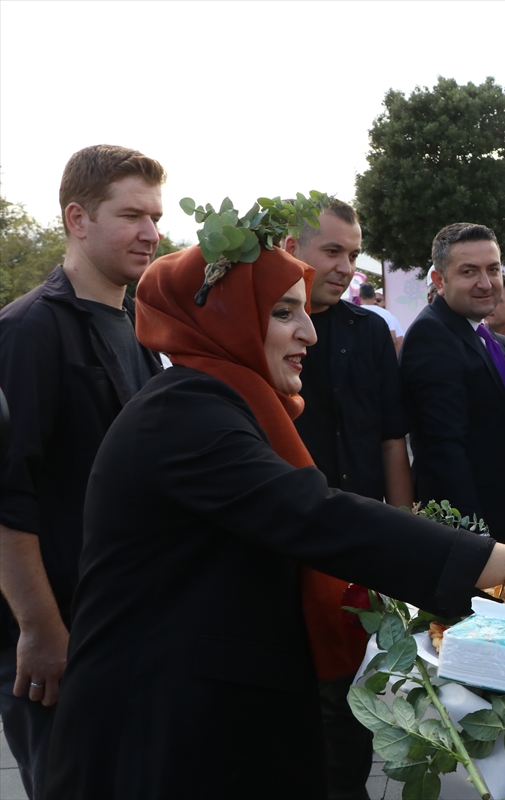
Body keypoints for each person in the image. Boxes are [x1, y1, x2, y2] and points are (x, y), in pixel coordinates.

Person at [41, 241, 505, 799]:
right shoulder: (184, 412)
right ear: (225, 317)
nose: (310, 332)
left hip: (201, 711)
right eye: (283, 312)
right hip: (154, 731)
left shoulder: (215, 399)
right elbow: (318, 515)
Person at [0, 145, 166, 800]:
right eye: (131, 215)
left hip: (130, 631)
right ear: (78, 218)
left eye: (154, 215)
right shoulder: (27, 333)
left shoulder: (139, 326)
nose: (151, 233)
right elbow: (7, 495)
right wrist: (40, 629)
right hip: (58, 646)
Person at [282, 200, 411, 800]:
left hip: (360, 539)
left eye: (354, 254)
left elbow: (391, 439)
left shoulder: (371, 332)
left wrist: (404, 530)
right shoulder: (262, 329)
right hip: (285, 539)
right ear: (291, 247)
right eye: (332, 251)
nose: (346, 266)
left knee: (355, 691)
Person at [401, 223, 505, 542]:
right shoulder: (432, 336)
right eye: (469, 271)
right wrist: (478, 541)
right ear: (439, 281)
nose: (485, 283)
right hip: (474, 533)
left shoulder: (484, 335)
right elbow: (445, 453)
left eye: (493, 270)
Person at [357, 282, 403, 355]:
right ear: (374, 296)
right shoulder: (386, 314)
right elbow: (394, 340)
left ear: (360, 297)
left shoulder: (354, 313)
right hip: (383, 358)